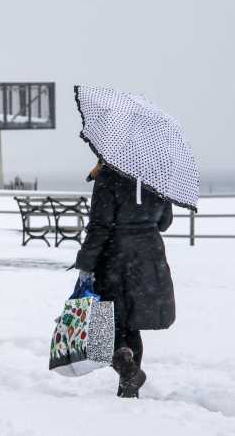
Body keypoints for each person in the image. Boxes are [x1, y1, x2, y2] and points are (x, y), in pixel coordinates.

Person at [75, 161, 175, 398]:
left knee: (102, 326)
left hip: (115, 259)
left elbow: (99, 226)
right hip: (149, 258)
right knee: (131, 324)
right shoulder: (157, 175)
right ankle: (128, 389)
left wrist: (85, 263)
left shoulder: (109, 176)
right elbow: (165, 222)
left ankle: (128, 371)